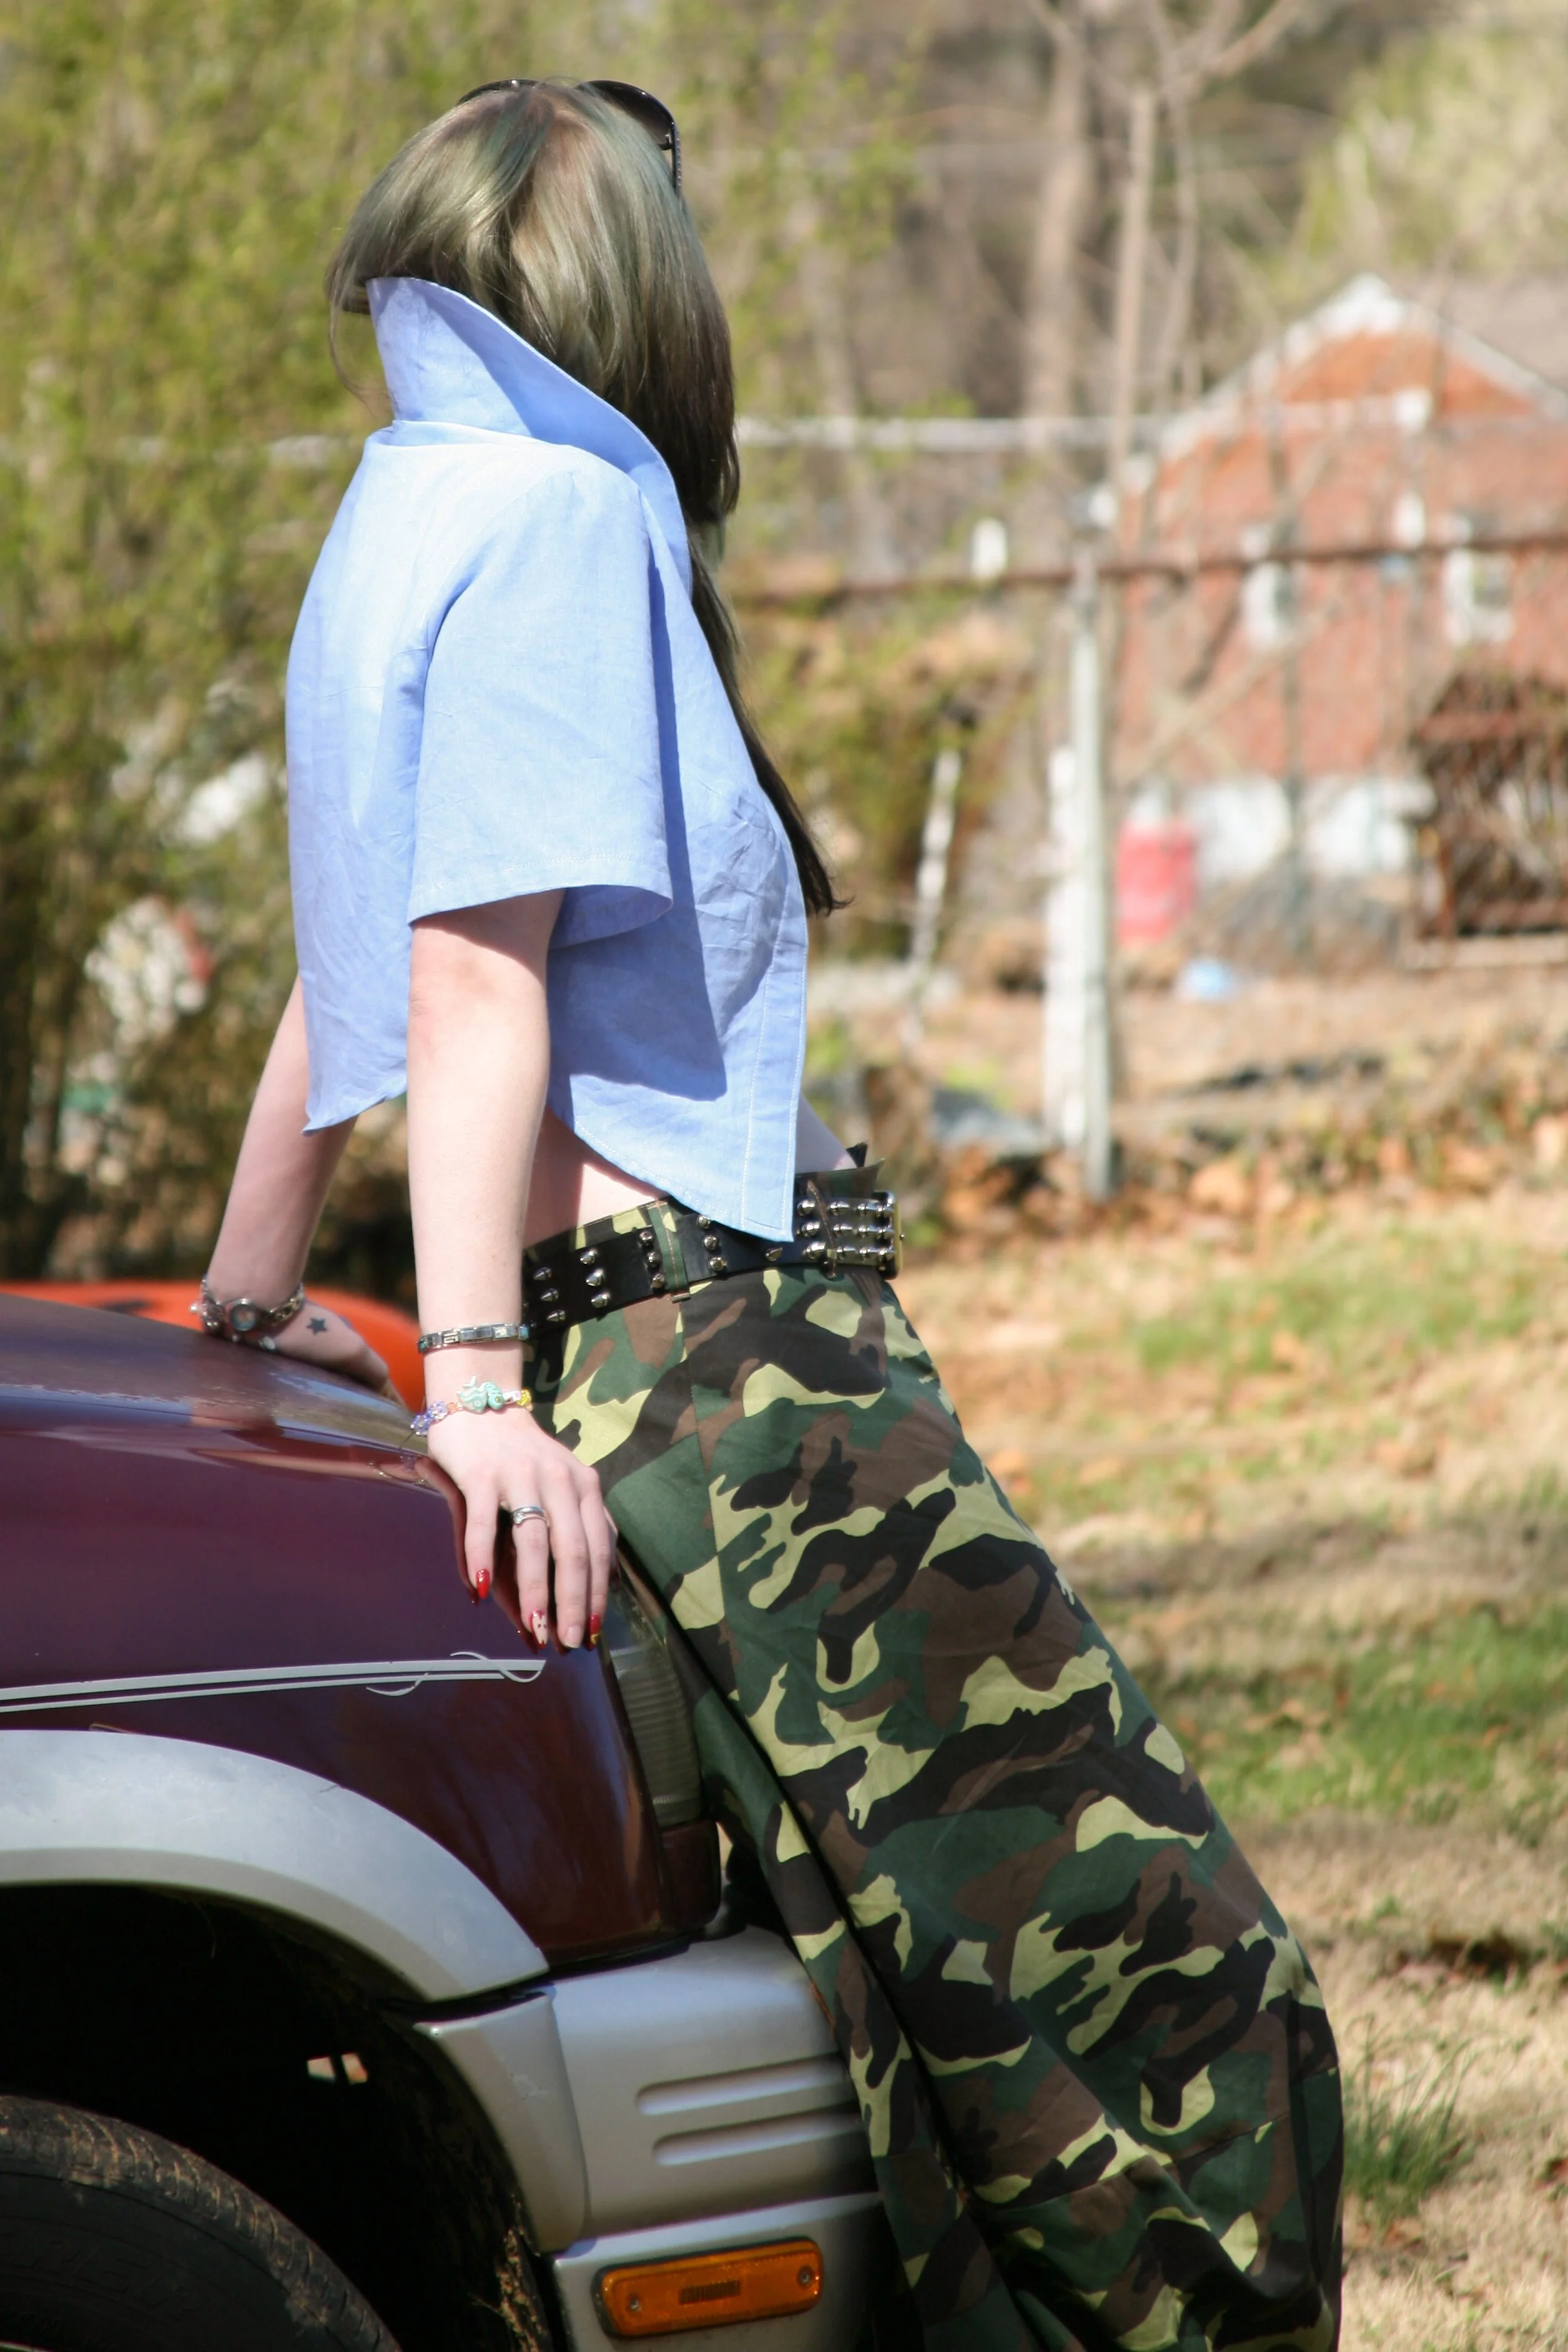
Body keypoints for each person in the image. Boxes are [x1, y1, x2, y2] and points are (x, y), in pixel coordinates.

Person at [200, 77, 1342, 2352]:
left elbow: (359, 958)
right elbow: (464, 973)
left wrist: (252, 1282)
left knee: (912, 2027)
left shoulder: (403, 499)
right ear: (639, 292)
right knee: (1185, 1999)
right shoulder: (553, 514)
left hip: (677, 1359)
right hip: (723, 1370)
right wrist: (474, 1388)